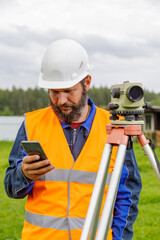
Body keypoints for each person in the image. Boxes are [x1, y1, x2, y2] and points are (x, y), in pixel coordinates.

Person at [4, 39, 142, 240]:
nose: (60, 101)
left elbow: (127, 194)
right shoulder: (31, 124)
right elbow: (11, 187)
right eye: (54, 92)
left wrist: (118, 237)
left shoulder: (115, 126)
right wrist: (23, 174)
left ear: (86, 82)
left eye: (68, 91)